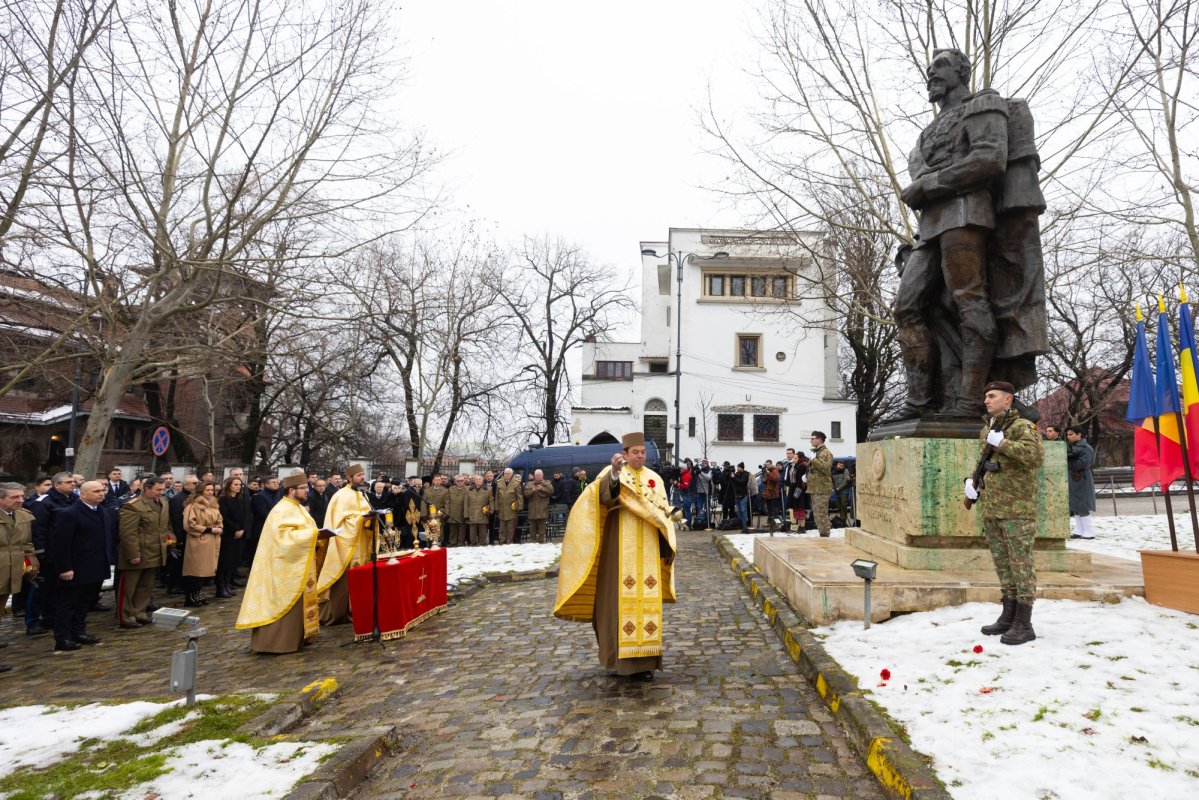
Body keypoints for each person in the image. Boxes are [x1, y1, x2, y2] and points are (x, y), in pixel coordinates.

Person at [894, 48, 1047, 418]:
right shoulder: (928, 131)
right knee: (908, 307)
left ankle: (967, 402)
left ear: (963, 71)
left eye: (942, 66)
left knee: (970, 302)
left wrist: (929, 185)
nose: (932, 74)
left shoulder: (984, 104)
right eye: (929, 69)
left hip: (967, 216)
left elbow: (989, 158)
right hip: (930, 226)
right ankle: (920, 401)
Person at [554, 432, 677, 681]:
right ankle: (617, 659)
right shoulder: (612, 472)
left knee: (647, 602)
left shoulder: (655, 479)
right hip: (618, 545)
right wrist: (613, 474)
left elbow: (663, 512)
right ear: (625, 453)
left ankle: (645, 664)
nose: (640, 456)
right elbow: (602, 498)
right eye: (635, 452)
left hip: (649, 546)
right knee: (615, 600)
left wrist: (669, 537)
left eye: (643, 452)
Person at [964, 380, 1044, 645]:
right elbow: (983, 462)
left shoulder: (1023, 427)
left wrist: (1004, 444)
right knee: (1003, 565)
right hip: (992, 507)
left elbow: (1035, 457)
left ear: (1008, 399)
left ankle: (1025, 623)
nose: (986, 400)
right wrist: (972, 482)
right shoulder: (988, 428)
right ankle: (1008, 615)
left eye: (992, 396)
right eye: (986, 396)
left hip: (1017, 510)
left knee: (1021, 565)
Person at [236, 469, 331, 654]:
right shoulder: (281, 509)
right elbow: (284, 538)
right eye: (303, 488)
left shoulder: (296, 508)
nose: (307, 491)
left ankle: (299, 636)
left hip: (299, 563)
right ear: (291, 490)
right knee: (284, 602)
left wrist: (318, 535)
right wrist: (314, 534)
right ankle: (278, 642)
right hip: (283, 567)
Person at [50, 480, 109, 652]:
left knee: (85, 603)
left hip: (96, 565)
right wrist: (65, 568)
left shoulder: (102, 511)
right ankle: (62, 637)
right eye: (96, 491)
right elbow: (61, 544)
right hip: (76, 567)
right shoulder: (69, 513)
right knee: (68, 604)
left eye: (102, 490)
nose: (101, 493)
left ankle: (79, 631)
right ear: (83, 494)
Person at [316, 463, 372, 625]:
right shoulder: (340, 496)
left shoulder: (362, 494)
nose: (362, 477)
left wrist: (371, 520)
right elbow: (338, 523)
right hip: (345, 545)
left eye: (363, 474)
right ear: (349, 478)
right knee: (345, 582)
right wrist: (361, 519)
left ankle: (358, 609)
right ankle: (342, 611)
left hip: (361, 543)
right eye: (359, 475)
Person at [116, 477, 172, 628]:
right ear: (146, 489)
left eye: (163, 489)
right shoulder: (133, 506)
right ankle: (126, 616)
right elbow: (128, 533)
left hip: (155, 552)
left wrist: (170, 543)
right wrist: (133, 554)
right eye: (158, 490)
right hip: (138, 553)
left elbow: (166, 527)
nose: (161, 493)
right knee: (129, 588)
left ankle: (140, 612)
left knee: (146, 586)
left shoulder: (163, 503)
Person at [0, 483, 38, 671]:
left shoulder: (23, 515)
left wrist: (32, 561)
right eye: (14, 497)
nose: (20, 500)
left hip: (12, 570)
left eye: (21, 496)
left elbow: (27, 543)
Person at [182, 481, 222, 608]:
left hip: (212, 541)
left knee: (205, 571)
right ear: (201, 491)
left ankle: (197, 594)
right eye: (207, 490)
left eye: (212, 490)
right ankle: (190, 597)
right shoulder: (192, 506)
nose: (210, 492)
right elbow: (189, 524)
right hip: (198, 541)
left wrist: (219, 527)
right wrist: (208, 530)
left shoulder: (214, 506)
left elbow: (219, 519)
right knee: (195, 571)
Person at [216, 476, 249, 598]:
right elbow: (224, 517)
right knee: (224, 561)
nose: (238, 487)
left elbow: (245, 514)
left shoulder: (240, 498)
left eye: (240, 485)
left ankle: (228, 584)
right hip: (229, 534)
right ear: (229, 485)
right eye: (235, 484)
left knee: (233, 561)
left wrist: (242, 529)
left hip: (240, 533)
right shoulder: (223, 499)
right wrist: (235, 529)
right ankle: (220, 587)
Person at [1065, 425, 1096, 540]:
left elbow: (1083, 463)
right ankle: (1080, 530)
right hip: (1074, 478)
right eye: (1068, 434)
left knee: (1083, 505)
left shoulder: (1086, 448)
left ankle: (1089, 531)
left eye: (1071, 434)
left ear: (1079, 435)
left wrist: (1067, 463)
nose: (1069, 437)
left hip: (1082, 478)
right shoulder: (1072, 448)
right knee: (1075, 506)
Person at [805, 432, 834, 537]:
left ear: (820, 439)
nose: (811, 440)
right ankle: (822, 533)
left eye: (813, 438)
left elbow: (826, 469)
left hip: (822, 488)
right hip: (814, 488)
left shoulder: (825, 452)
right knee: (817, 514)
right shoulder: (816, 452)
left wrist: (814, 460)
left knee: (821, 514)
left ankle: (825, 534)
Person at [524, 469, 554, 544]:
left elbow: (551, 491)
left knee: (542, 528)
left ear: (542, 475)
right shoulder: (529, 484)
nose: (538, 476)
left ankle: (541, 542)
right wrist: (532, 490)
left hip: (543, 508)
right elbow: (526, 494)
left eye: (539, 475)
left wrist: (542, 488)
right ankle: (532, 542)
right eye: (536, 475)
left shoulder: (547, 483)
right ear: (534, 476)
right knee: (532, 528)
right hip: (532, 508)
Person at [494, 468, 523, 544]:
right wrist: (496, 507)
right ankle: (502, 541)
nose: (506, 475)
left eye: (508, 474)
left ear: (511, 474)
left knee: (510, 527)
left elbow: (519, 496)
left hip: (511, 509)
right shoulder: (499, 482)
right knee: (502, 527)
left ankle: (509, 541)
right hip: (501, 508)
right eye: (505, 473)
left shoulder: (516, 483)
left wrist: (519, 507)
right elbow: (497, 496)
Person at [464, 475, 490, 546]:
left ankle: (483, 543)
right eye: (477, 480)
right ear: (474, 481)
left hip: (483, 513)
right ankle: (473, 544)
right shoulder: (469, 490)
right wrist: (466, 514)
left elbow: (491, 501)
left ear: (482, 481)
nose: (478, 481)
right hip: (472, 513)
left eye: (480, 480)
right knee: (472, 532)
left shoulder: (488, 489)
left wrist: (490, 510)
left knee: (483, 531)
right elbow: (466, 503)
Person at [445, 475, 468, 547]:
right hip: (453, 512)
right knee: (453, 530)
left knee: (462, 530)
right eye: (458, 481)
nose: (460, 482)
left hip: (462, 512)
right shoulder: (451, 489)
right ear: (455, 482)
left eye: (462, 480)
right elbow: (447, 501)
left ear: (464, 481)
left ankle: (461, 543)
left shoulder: (468, 489)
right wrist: (447, 512)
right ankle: (453, 543)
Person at [732, 463, 750, 532]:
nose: (737, 469)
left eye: (739, 467)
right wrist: (732, 477)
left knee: (743, 510)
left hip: (743, 495)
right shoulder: (736, 474)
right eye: (737, 467)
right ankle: (741, 523)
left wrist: (734, 478)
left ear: (742, 468)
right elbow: (734, 483)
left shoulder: (746, 474)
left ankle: (745, 524)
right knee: (739, 511)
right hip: (737, 495)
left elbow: (742, 482)